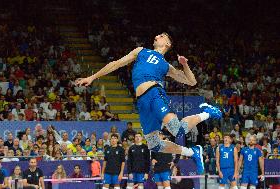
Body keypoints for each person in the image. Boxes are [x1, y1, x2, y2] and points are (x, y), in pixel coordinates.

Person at [76, 32, 222, 174]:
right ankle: (192, 152)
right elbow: (116, 63)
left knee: (177, 130)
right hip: (141, 101)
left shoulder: (166, 65)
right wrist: (92, 77)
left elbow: (192, 81)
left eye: (161, 36)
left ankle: (206, 113)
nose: (156, 36)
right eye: (157, 35)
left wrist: (184, 65)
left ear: (167, 44)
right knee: (155, 145)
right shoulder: (141, 51)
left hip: (154, 93)